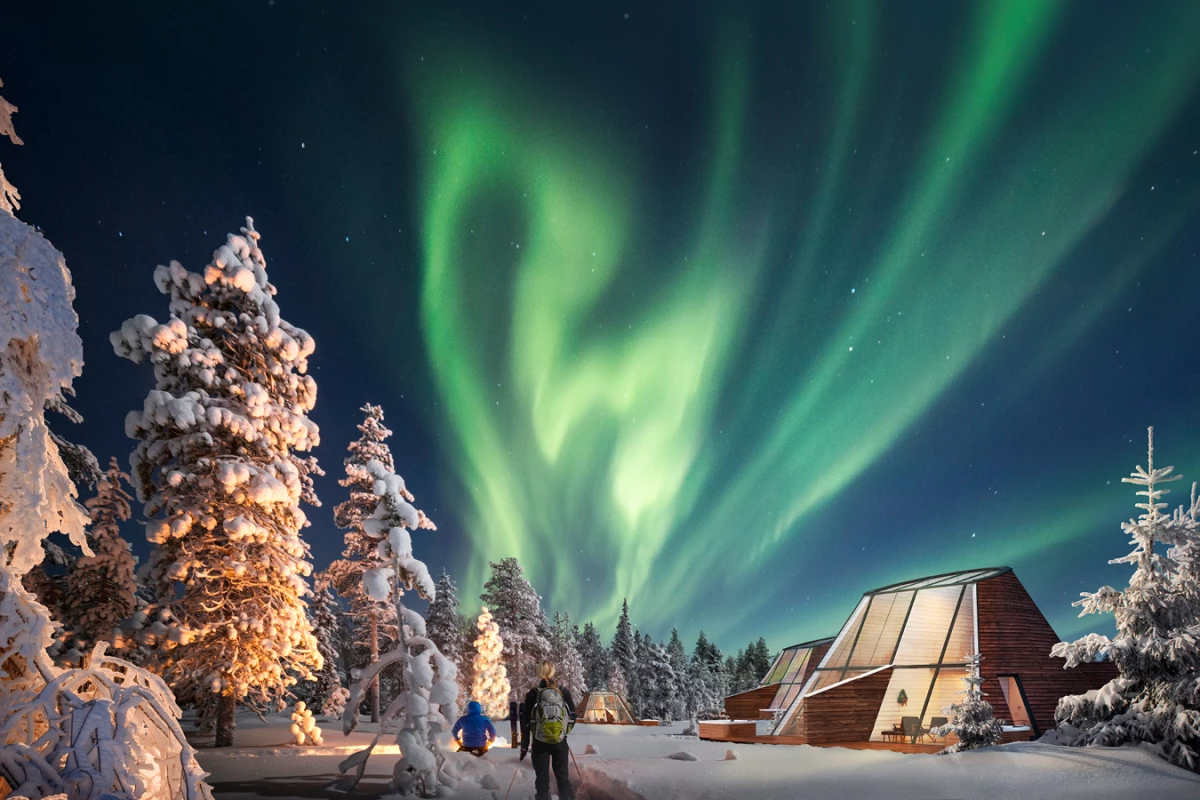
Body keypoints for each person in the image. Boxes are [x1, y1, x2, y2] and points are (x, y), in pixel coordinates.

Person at [520, 660, 577, 800]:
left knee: (542, 779)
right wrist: (564, 732)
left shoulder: (533, 693)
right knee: (562, 777)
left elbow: (525, 722)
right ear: (553, 672)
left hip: (540, 741)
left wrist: (524, 746)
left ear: (539, 673)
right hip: (560, 741)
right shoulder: (563, 691)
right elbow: (573, 715)